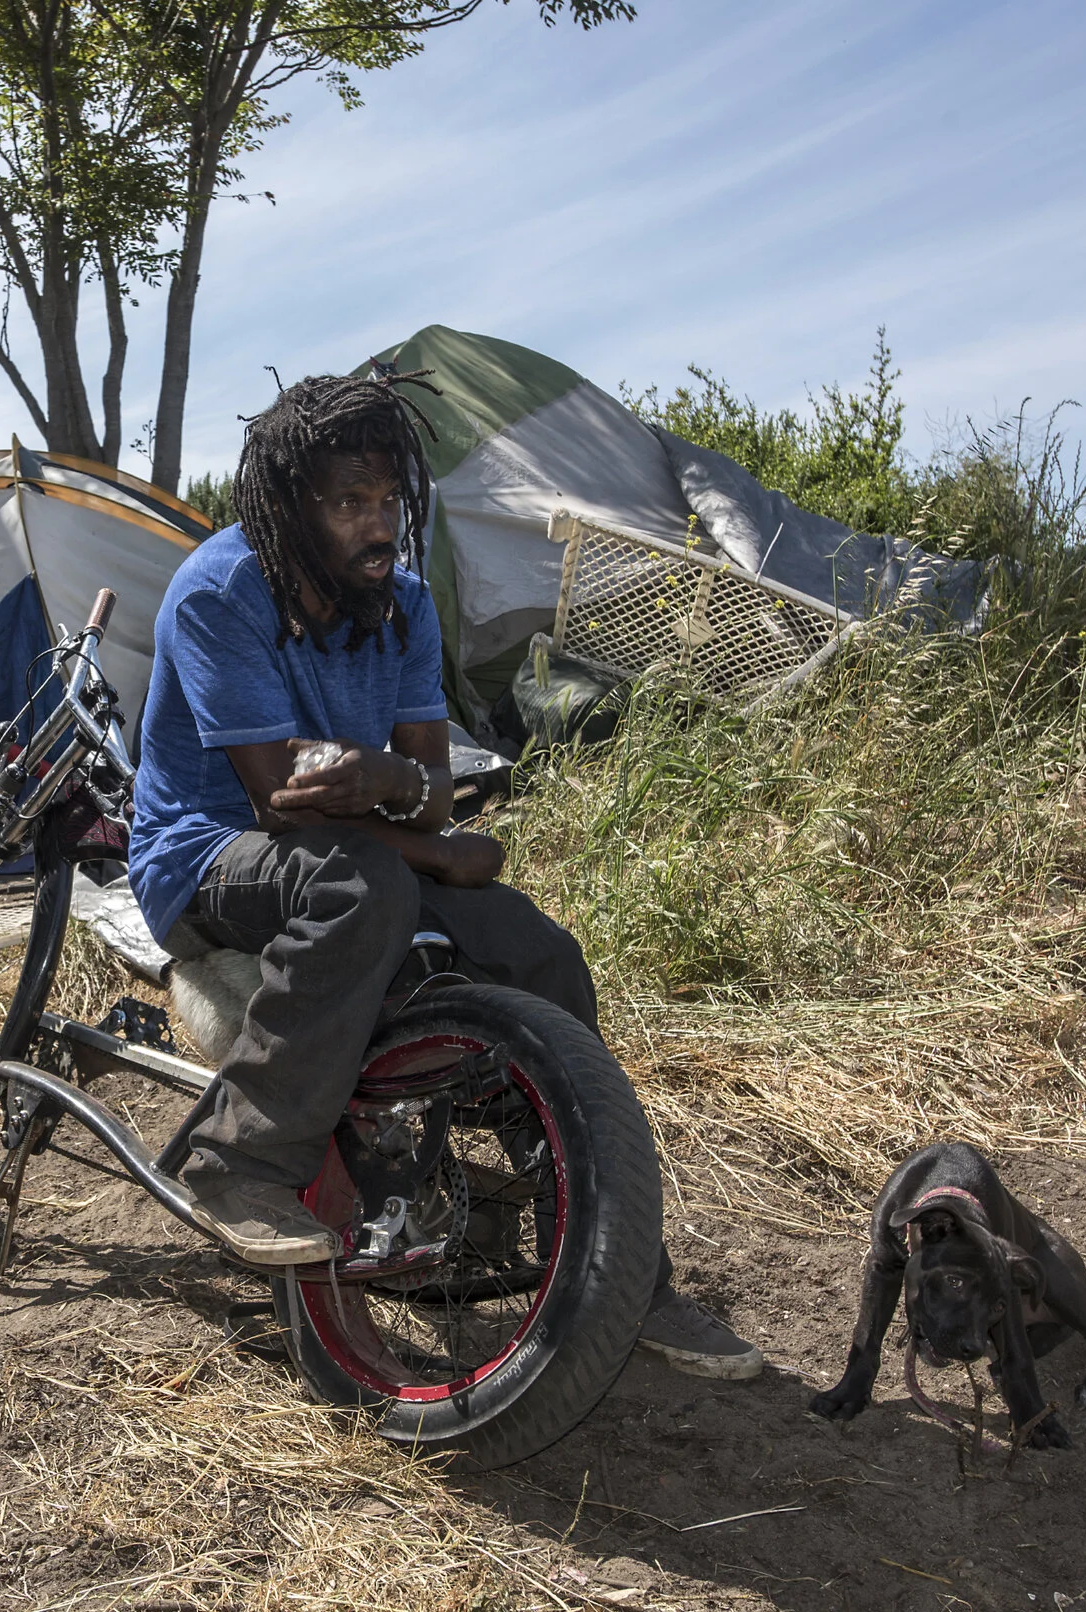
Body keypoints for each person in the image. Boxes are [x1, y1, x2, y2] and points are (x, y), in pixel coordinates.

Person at [126, 371, 761, 1381]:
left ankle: (618, 1268)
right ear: (289, 508)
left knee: (540, 955)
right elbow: (275, 796)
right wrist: (427, 840)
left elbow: (422, 787)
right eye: (345, 503)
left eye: (386, 500)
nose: (375, 525)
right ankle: (237, 1161)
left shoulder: (404, 604)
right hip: (204, 854)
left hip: (348, 849)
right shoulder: (219, 592)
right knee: (360, 887)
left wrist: (396, 796)